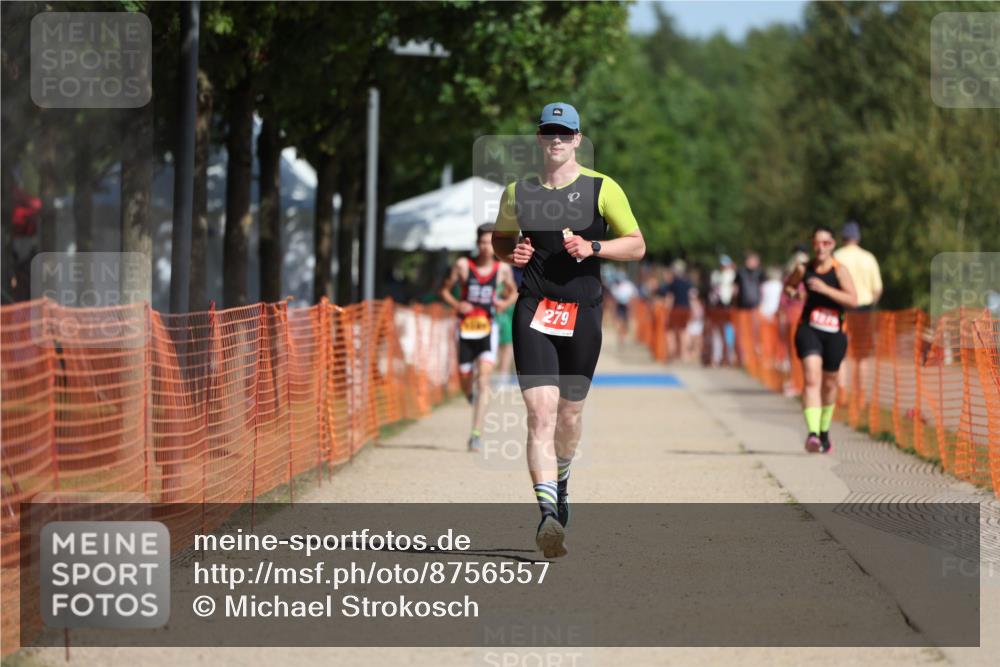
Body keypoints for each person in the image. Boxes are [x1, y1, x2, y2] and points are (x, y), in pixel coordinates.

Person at [492, 102, 646, 558]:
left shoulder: (602, 188)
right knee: (540, 414)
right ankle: (547, 516)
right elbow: (500, 239)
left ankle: (561, 480)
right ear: (540, 139)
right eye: (548, 132)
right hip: (535, 309)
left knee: (569, 416)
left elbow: (637, 245)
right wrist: (512, 253)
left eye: (565, 133)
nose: (556, 140)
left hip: (583, 313)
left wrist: (594, 245)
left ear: (577, 139)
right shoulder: (518, 192)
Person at [440, 223, 518, 451]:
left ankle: (476, 434)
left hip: (488, 328)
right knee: (466, 378)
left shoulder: (502, 269)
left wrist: (503, 302)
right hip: (465, 328)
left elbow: (513, 291)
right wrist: (457, 304)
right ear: (477, 244)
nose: (486, 247)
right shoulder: (463, 266)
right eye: (482, 242)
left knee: (484, 380)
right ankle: (471, 396)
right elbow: (444, 289)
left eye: (489, 243)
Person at [784, 225, 858, 453]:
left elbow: (853, 300)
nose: (821, 248)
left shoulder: (839, 271)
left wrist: (826, 289)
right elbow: (788, 286)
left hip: (835, 332)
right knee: (812, 379)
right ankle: (813, 434)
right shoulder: (803, 268)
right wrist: (795, 293)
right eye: (817, 243)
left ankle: (824, 431)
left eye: (826, 243)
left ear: (833, 245)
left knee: (829, 384)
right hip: (809, 329)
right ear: (812, 244)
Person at [833, 221, 883, 404]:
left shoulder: (836, 257)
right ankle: (861, 395)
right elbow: (877, 289)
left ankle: (842, 392)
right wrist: (870, 305)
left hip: (841, 308)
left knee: (841, 353)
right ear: (858, 237)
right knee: (861, 355)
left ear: (843, 237)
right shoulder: (868, 258)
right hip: (864, 309)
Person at [609, 272, 638, 349]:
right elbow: (614, 298)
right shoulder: (615, 285)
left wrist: (631, 308)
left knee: (625, 323)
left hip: (627, 306)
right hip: (620, 305)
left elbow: (633, 296)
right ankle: (620, 337)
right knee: (620, 322)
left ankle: (623, 335)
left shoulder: (629, 285)